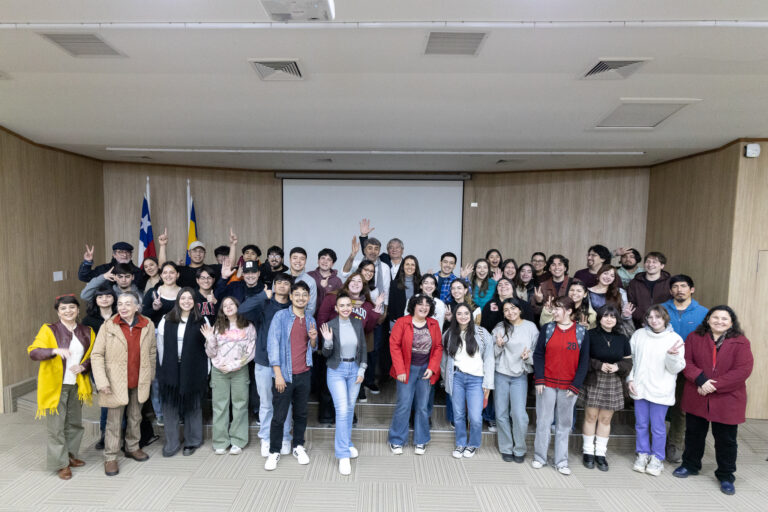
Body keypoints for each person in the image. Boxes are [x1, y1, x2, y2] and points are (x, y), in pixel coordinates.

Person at [673, 306, 754, 496]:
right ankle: (690, 465)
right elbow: (687, 361)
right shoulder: (694, 337)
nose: (719, 321)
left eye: (724, 319)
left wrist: (713, 385)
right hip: (697, 393)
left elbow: (743, 370)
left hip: (728, 397)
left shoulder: (741, 342)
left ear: (731, 322)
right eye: (715, 317)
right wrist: (701, 380)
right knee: (693, 434)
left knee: (726, 440)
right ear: (708, 319)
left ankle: (726, 475)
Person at [28, 295, 95, 480]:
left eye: (72, 307)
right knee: (56, 427)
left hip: (77, 385)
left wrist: (84, 366)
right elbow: (33, 352)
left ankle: (71, 455)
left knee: (74, 424)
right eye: (63, 309)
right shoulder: (49, 330)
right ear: (58, 312)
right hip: (55, 386)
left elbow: (93, 355)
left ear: (78, 310)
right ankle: (61, 463)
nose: (68, 311)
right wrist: (54, 351)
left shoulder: (87, 331)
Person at [91, 291, 156, 477]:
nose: (123, 308)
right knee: (114, 421)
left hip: (139, 379)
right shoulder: (108, 326)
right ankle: (110, 457)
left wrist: (149, 375)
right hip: (114, 382)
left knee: (136, 417)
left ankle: (132, 447)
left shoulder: (147, 324)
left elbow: (152, 352)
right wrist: (102, 381)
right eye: (120, 304)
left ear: (137, 307)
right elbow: (96, 355)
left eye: (128, 304)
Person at [532, 296, 590, 476]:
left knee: (564, 424)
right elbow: (538, 355)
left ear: (570, 311)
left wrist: (576, 385)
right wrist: (539, 379)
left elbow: (584, 362)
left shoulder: (581, 332)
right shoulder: (547, 329)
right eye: (554, 308)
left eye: (558, 309)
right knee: (543, 421)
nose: (554, 312)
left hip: (569, 388)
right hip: (546, 384)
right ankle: (540, 457)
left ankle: (561, 461)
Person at [239, 273, 294, 458]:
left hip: (286, 363)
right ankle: (266, 438)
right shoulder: (264, 304)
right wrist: (263, 295)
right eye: (278, 283)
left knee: (285, 403)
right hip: (264, 361)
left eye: (286, 283)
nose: (282, 286)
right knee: (266, 403)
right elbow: (242, 310)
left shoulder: (294, 307)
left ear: (290, 288)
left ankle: (285, 436)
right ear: (273, 286)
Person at [264, 281, 318, 471]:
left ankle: (298, 446)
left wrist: (313, 339)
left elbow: (313, 348)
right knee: (279, 416)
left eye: (305, 294)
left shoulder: (311, 319)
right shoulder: (281, 316)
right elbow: (273, 346)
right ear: (291, 296)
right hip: (284, 375)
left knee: (301, 413)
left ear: (309, 298)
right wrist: (277, 374)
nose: (301, 297)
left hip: (304, 373)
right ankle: (274, 451)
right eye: (297, 294)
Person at [628, 305, 685, 477]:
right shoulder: (639, 335)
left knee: (658, 427)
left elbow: (676, 368)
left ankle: (657, 457)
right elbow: (631, 360)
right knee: (641, 424)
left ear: (665, 319)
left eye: (658, 317)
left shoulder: (674, 338)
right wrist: (630, 378)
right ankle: (642, 453)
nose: (654, 320)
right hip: (640, 387)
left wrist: (672, 356)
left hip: (661, 389)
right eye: (651, 317)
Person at [661, 274, 709, 463]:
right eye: (675, 286)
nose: (679, 289)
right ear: (670, 290)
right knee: (658, 405)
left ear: (692, 289)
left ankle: (675, 445)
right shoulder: (661, 309)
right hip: (662, 365)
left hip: (688, 367)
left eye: (683, 286)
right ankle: (655, 443)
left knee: (681, 408)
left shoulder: (703, 312)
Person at [155, 288, 208, 457]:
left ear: (195, 301)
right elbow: (160, 345)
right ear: (178, 300)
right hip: (170, 368)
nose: (186, 301)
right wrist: (162, 369)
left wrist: (206, 370)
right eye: (183, 298)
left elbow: (208, 346)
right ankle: (172, 442)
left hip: (193, 368)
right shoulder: (166, 319)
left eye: (190, 298)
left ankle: (193, 441)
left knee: (193, 404)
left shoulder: (202, 319)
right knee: (170, 404)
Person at [388, 295, 443, 455]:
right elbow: (394, 346)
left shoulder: (434, 324)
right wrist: (400, 370)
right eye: (420, 304)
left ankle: (421, 440)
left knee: (422, 406)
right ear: (413, 306)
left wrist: (432, 367)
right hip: (406, 369)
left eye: (427, 305)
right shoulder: (402, 322)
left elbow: (438, 347)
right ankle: (396, 439)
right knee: (404, 405)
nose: (424, 307)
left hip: (426, 370)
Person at [320, 293, 368, 475]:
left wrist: (362, 369)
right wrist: (328, 341)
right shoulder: (330, 326)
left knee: (349, 408)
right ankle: (342, 455)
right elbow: (325, 354)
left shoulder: (357, 323)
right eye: (342, 305)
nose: (346, 308)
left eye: (349, 305)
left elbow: (362, 348)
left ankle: (347, 443)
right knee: (341, 410)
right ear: (336, 308)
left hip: (355, 370)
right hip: (336, 370)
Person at [580, 305, 632, 471]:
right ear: (599, 318)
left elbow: (628, 362)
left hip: (613, 381)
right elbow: (582, 359)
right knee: (591, 416)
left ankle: (600, 453)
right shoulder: (590, 335)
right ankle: (588, 451)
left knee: (605, 419)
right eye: (605, 316)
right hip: (594, 378)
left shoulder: (622, 338)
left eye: (613, 316)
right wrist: (599, 365)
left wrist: (618, 367)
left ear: (616, 319)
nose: (609, 319)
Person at [202, 296, 256, 455]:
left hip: (240, 370)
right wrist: (210, 338)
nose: (229, 307)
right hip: (219, 372)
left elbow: (251, 351)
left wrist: (233, 365)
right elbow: (210, 352)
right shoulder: (217, 326)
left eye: (231, 303)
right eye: (225, 305)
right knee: (219, 406)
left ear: (238, 306)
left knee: (240, 405)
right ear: (222, 310)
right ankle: (220, 441)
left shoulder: (248, 326)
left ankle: (238, 441)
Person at [441, 304, 494, 458]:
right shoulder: (449, 334)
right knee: (458, 414)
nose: (463, 316)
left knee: (476, 417)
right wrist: (447, 379)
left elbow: (489, 359)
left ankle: (473, 444)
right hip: (457, 378)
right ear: (455, 316)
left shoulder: (482, 333)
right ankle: (461, 443)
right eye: (459, 313)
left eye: (466, 313)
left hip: (476, 380)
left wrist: (488, 384)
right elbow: (444, 361)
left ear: (471, 315)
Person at [491, 298, 538, 463]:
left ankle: (520, 448)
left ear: (519, 309)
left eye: (513, 308)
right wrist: (498, 345)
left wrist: (528, 357)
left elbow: (536, 351)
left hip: (520, 375)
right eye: (506, 310)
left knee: (519, 414)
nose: (510, 312)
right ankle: (506, 447)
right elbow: (491, 354)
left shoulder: (530, 327)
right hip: (501, 373)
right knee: (502, 413)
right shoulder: (499, 328)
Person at [82, 285, 117, 450]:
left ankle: (121, 432)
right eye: (100, 297)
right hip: (99, 365)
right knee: (106, 399)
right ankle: (105, 434)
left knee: (122, 398)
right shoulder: (88, 321)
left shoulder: (121, 315)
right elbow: (86, 345)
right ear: (95, 300)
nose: (104, 299)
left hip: (120, 364)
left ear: (113, 297)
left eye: (108, 296)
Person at [626, 252, 672, 328]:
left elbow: (672, 304)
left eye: (654, 262)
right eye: (648, 261)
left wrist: (660, 320)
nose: (650, 264)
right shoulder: (634, 283)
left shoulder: (670, 283)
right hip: (640, 324)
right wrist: (645, 320)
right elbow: (631, 304)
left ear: (662, 265)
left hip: (664, 324)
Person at [587, 264, 635, 335]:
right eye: (605, 273)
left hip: (616, 330)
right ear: (599, 274)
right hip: (594, 329)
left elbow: (626, 315)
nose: (608, 277)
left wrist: (625, 315)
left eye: (612, 276)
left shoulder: (620, 292)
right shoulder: (587, 292)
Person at [78, 241, 145, 289]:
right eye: (120, 252)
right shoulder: (103, 269)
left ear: (131, 255)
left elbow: (140, 289)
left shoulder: (137, 271)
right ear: (114, 254)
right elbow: (84, 277)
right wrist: (87, 262)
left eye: (127, 252)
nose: (124, 255)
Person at [387, 255, 422, 327]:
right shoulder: (394, 284)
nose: (410, 267)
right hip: (397, 322)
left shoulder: (421, 283)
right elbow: (391, 305)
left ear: (416, 267)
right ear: (403, 266)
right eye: (407, 264)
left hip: (417, 322)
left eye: (412, 265)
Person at [308, 248, 343, 314]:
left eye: (329, 259)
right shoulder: (309, 276)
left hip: (328, 317)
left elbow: (340, 301)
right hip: (309, 315)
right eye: (323, 258)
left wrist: (326, 288)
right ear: (318, 261)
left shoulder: (337, 281)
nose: (325, 261)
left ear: (332, 264)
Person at [286, 247, 318, 317]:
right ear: (290, 259)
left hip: (301, 320)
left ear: (305, 261)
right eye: (295, 258)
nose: (298, 261)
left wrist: (300, 320)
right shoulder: (280, 277)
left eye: (302, 259)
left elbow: (311, 308)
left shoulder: (310, 281)